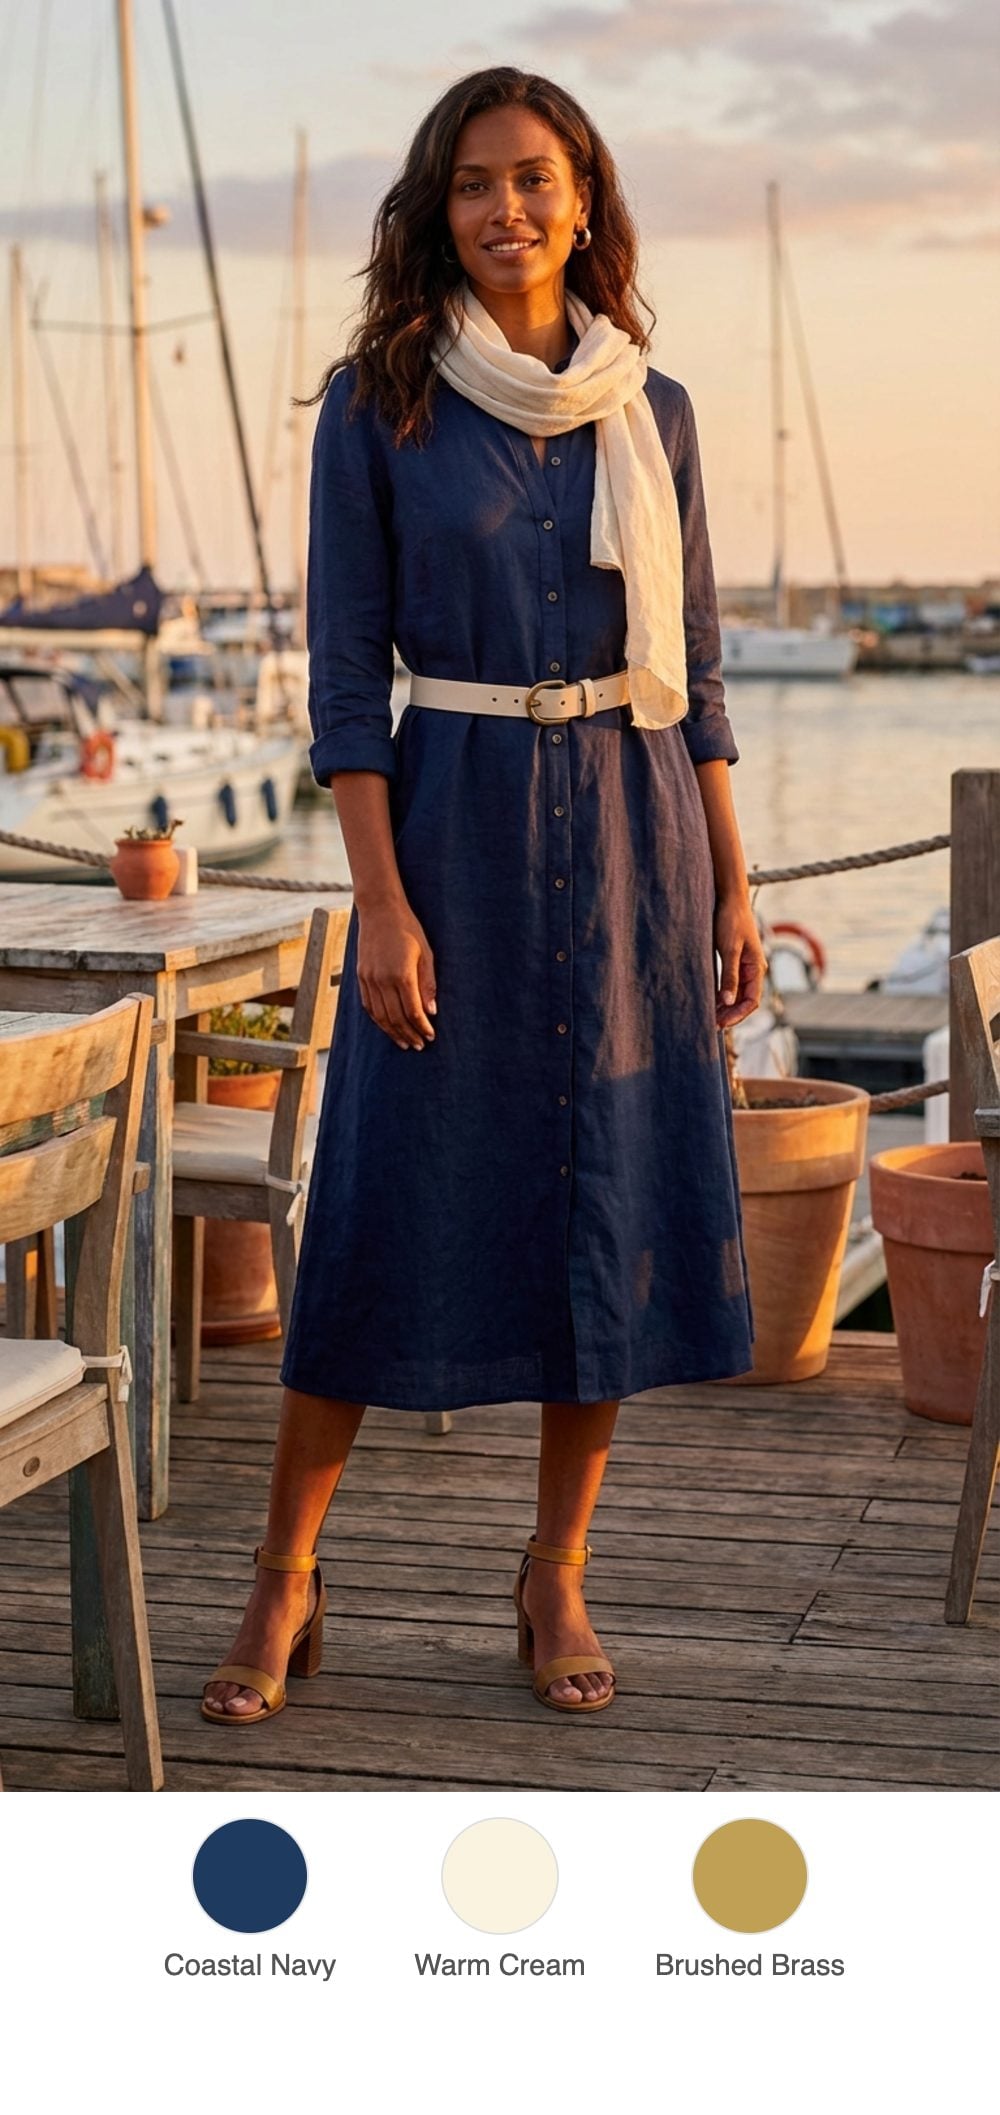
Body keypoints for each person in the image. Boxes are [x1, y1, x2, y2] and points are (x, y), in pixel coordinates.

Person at [202, 64, 765, 1728]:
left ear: (585, 197)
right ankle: (288, 1573)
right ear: (435, 209)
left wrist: (731, 888)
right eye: (472, 183)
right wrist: (380, 904)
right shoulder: (376, 401)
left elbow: (704, 675)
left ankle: (555, 1569)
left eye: (534, 178)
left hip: (638, 836)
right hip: (447, 839)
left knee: (603, 1204)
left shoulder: (649, 410)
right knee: (385, 1205)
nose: (505, 209)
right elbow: (343, 685)